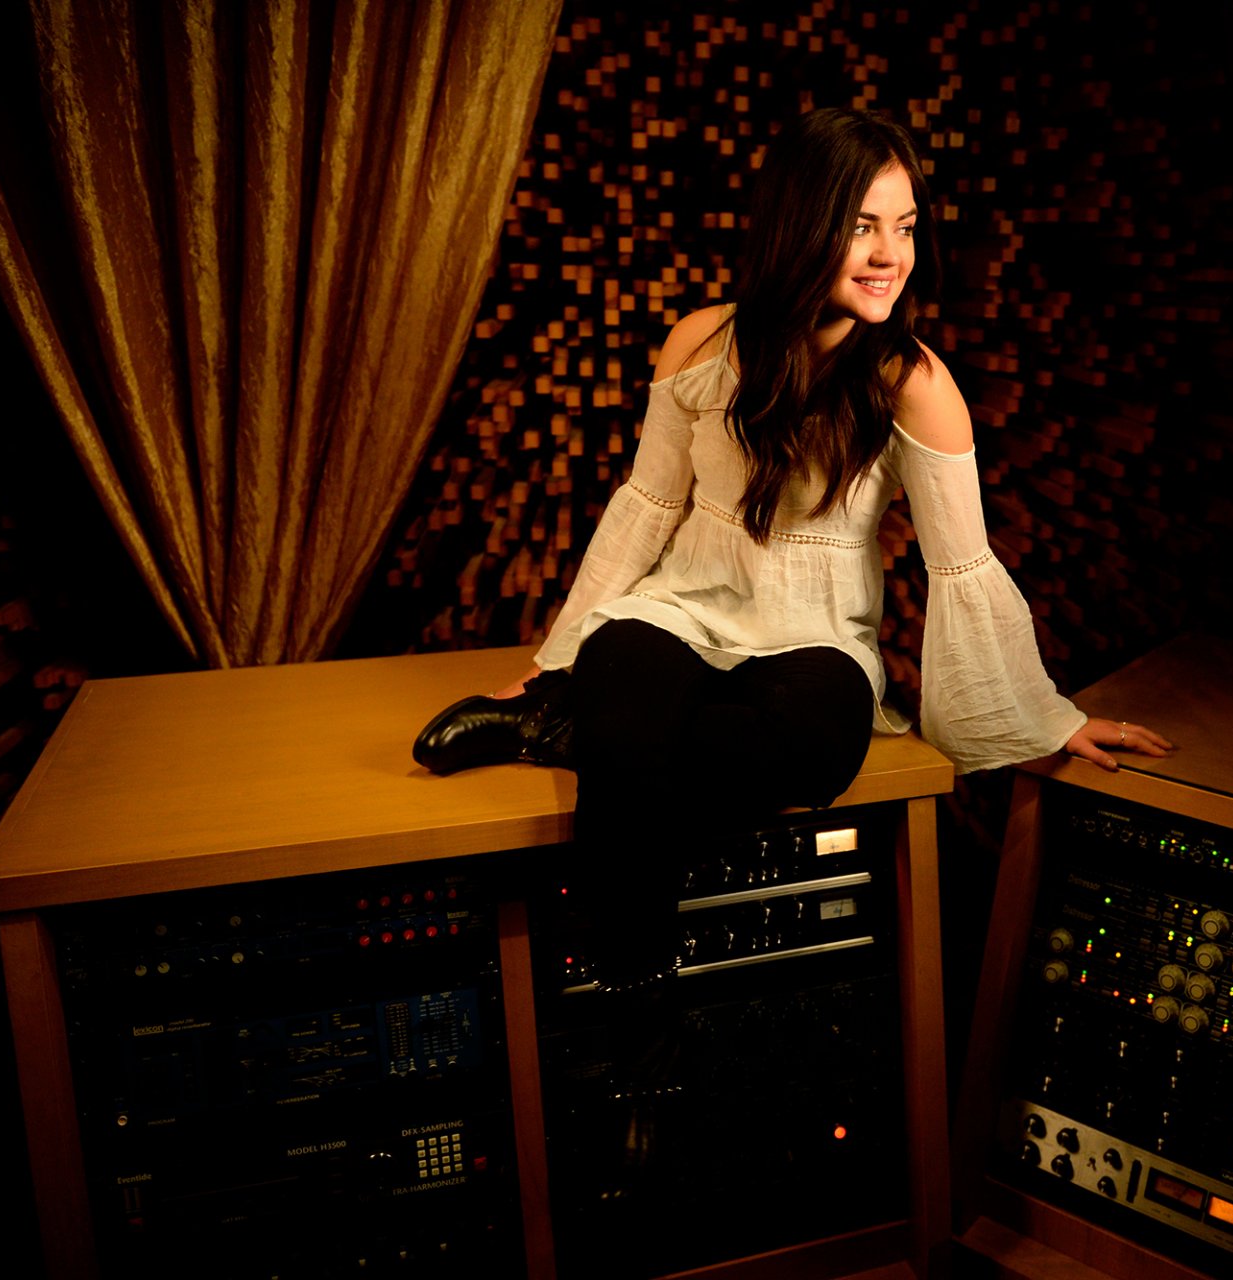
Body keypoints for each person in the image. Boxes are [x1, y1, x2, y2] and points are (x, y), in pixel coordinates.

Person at [416, 103, 1170, 1063]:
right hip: (679, 607)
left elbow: (962, 569)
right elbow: (648, 506)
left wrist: (1045, 718)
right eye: (862, 226)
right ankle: (636, 1004)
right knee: (627, 698)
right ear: (801, 223)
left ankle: (572, 735)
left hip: (815, 637)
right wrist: (558, 656)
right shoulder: (703, 344)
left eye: (905, 228)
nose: (890, 256)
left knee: (784, 752)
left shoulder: (913, 382)